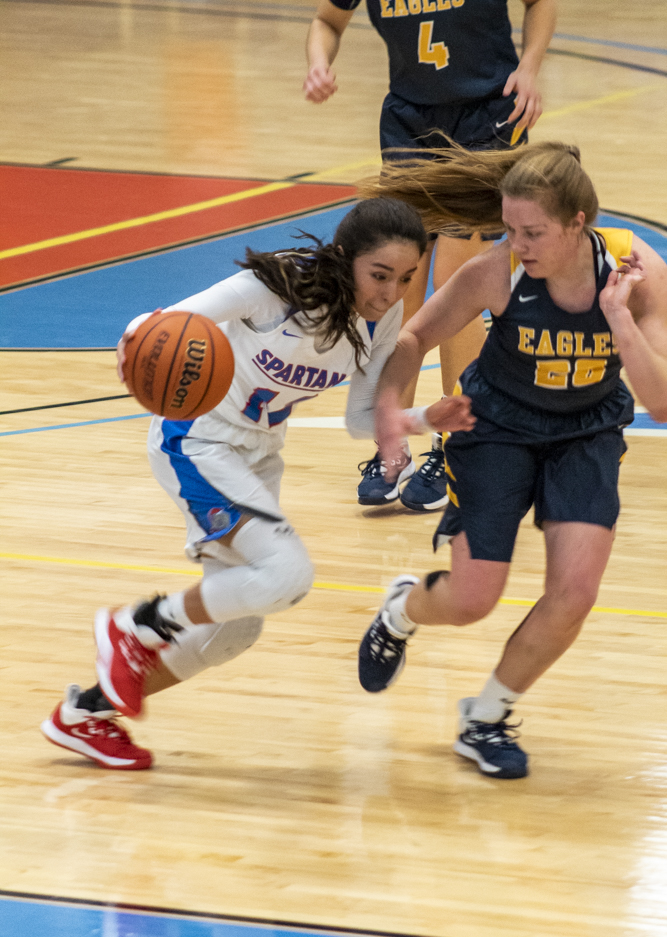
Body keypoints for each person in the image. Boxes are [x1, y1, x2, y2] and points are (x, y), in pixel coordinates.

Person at [40, 198, 474, 770]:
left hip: (258, 455)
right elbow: (164, 321)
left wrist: (419, 422)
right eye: (379, 275)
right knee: (288, 575)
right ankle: (134, 626)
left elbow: (360, 420)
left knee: (237, 630)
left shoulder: (382, 318)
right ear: (345, 258)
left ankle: (85, 715)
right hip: (197, 440)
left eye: (405, 279)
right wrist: (135, 340)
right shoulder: (281, 285)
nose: (391, 292)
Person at [356, 142, 667, 778]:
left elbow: (661, 403)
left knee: (575, 593)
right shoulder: (498, 272)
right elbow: (416, 335)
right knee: (474, 600)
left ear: (579, 223)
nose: (517, 244)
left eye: (533, 232)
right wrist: (393, 411)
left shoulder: (634, 272)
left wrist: (619, 319)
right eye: (509, 229)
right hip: (495, 427)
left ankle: (486, 716)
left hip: (585, 432)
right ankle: (400, 609)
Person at [304, 0, 555, 511]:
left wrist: (529, 67)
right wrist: (318, 61)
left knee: (458, 273)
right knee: (402, 281)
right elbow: (327, 20)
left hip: (489, 110)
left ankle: (459, 441)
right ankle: (392, 438)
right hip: (408, 119)